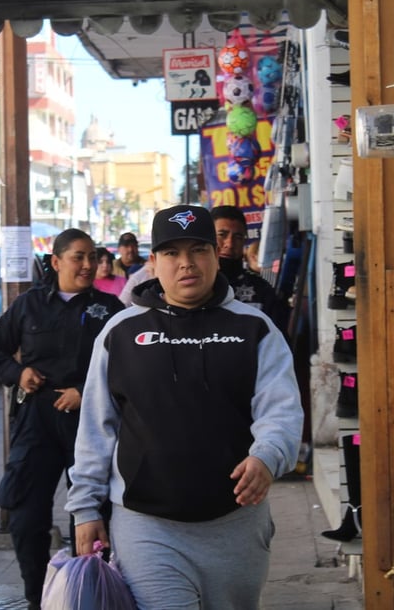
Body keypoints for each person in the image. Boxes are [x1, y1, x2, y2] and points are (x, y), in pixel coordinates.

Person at [67, 204, 303, 609]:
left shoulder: (255, 328)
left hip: (237, 525)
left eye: (198, 250)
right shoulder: (121, 332)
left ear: (216, 256)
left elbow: (280, 411)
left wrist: (267, 457)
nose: (186, 264)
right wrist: (85, 508)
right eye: (172, 253)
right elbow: (96, 428)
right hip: (146, 526)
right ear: (154, 262)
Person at [0, 229, 124, 609]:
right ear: (56, 262)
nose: (89, 265)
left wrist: (87, 391)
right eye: (79, 257)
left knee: (93, 517)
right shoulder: (28, 306)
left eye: (93, 256)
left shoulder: (109, 309)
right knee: (27, 519)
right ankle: (38, 599)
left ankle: (91, 595)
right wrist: (18, 374)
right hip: (37, 420)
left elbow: (129, 368)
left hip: (90, 424)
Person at [211, 205, 290, 335]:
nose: (229, 244)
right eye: (222, 235)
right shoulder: (191, 286)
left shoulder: (262, 290)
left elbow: (279, 344)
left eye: (237, 237)